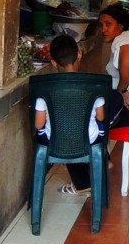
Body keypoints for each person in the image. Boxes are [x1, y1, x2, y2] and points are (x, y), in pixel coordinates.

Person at [32, 33, 106, 195]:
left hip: (57, 143)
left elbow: (38, 124)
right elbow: (101, 117)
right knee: (87, 131)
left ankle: (81, 181)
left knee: (57, 133)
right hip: (89, 140)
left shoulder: (45, 88)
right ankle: (102, 160)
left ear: (53, 62)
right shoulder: (93, 86)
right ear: (79, 54)